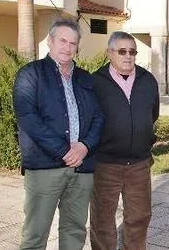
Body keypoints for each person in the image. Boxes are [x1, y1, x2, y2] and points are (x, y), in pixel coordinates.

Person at [13, 19, 104, 249]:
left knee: (74, 231)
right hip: (45, 166)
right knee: (35, 234)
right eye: (63, 40)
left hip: (82, 167)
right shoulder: (30, 74)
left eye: (73, 43)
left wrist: (84, 146)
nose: (67, 47)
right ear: (50, 41)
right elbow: (29, 119)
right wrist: (65, 151)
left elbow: (99, 117)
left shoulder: (85, 78)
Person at [90, 31, 160, 250]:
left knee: (139, 218)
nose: (128, 56)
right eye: (122, 51)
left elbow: (153, 113)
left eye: (132, 51)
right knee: (103, 221)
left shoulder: (148, 80)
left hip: (139, 163)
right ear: (109, 53)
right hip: (105, 164)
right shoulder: (95, 82)